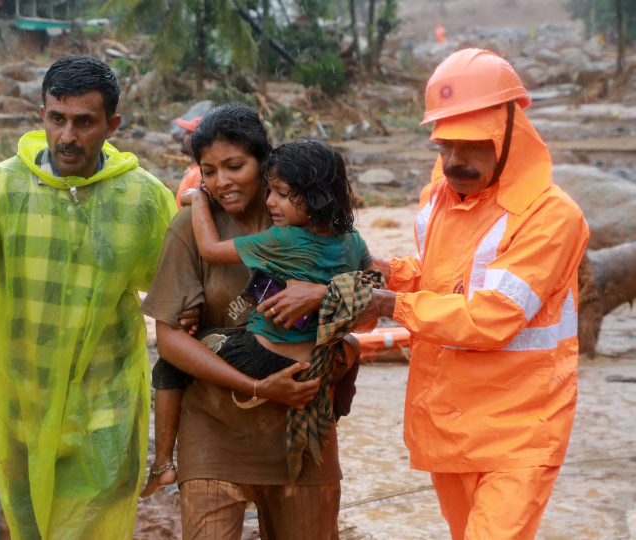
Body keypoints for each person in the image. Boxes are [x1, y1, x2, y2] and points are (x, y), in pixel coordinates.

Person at [0, 56, 180, 540]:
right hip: (21, 401)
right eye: (56, 118)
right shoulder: (1, 190)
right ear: (41, 115)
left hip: (107, 401)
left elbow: (181, 290)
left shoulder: (143, 199)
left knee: (91, 527)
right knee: (30, 526)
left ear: (112, 125)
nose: (67, 136)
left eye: (84, 122)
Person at [370, 49, 591, 539]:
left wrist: (391, 305)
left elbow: (494, 315)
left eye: (471, 146)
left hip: (520, 430)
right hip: (450, 420)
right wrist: (386, 274)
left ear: (510, 136)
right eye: (444, 145)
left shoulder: (552, 216)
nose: (454, 161)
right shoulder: (442, 196)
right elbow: (444, 278)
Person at [140, 104, 369, 539]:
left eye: (234, 166)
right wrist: (257, 387)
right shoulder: (191, 227)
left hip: (302, 434)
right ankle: (166, 462)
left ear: (266, 164)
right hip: (214, 431)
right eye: (208, 171)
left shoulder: (313, 224)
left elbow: (372, 302)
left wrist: (325, 295)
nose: (221, 181)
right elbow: (169, 342)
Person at [173, 116, 203, 208]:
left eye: (188, 132)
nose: (182, 136)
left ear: (199, 138)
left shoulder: (200, 174)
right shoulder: (196, 170)